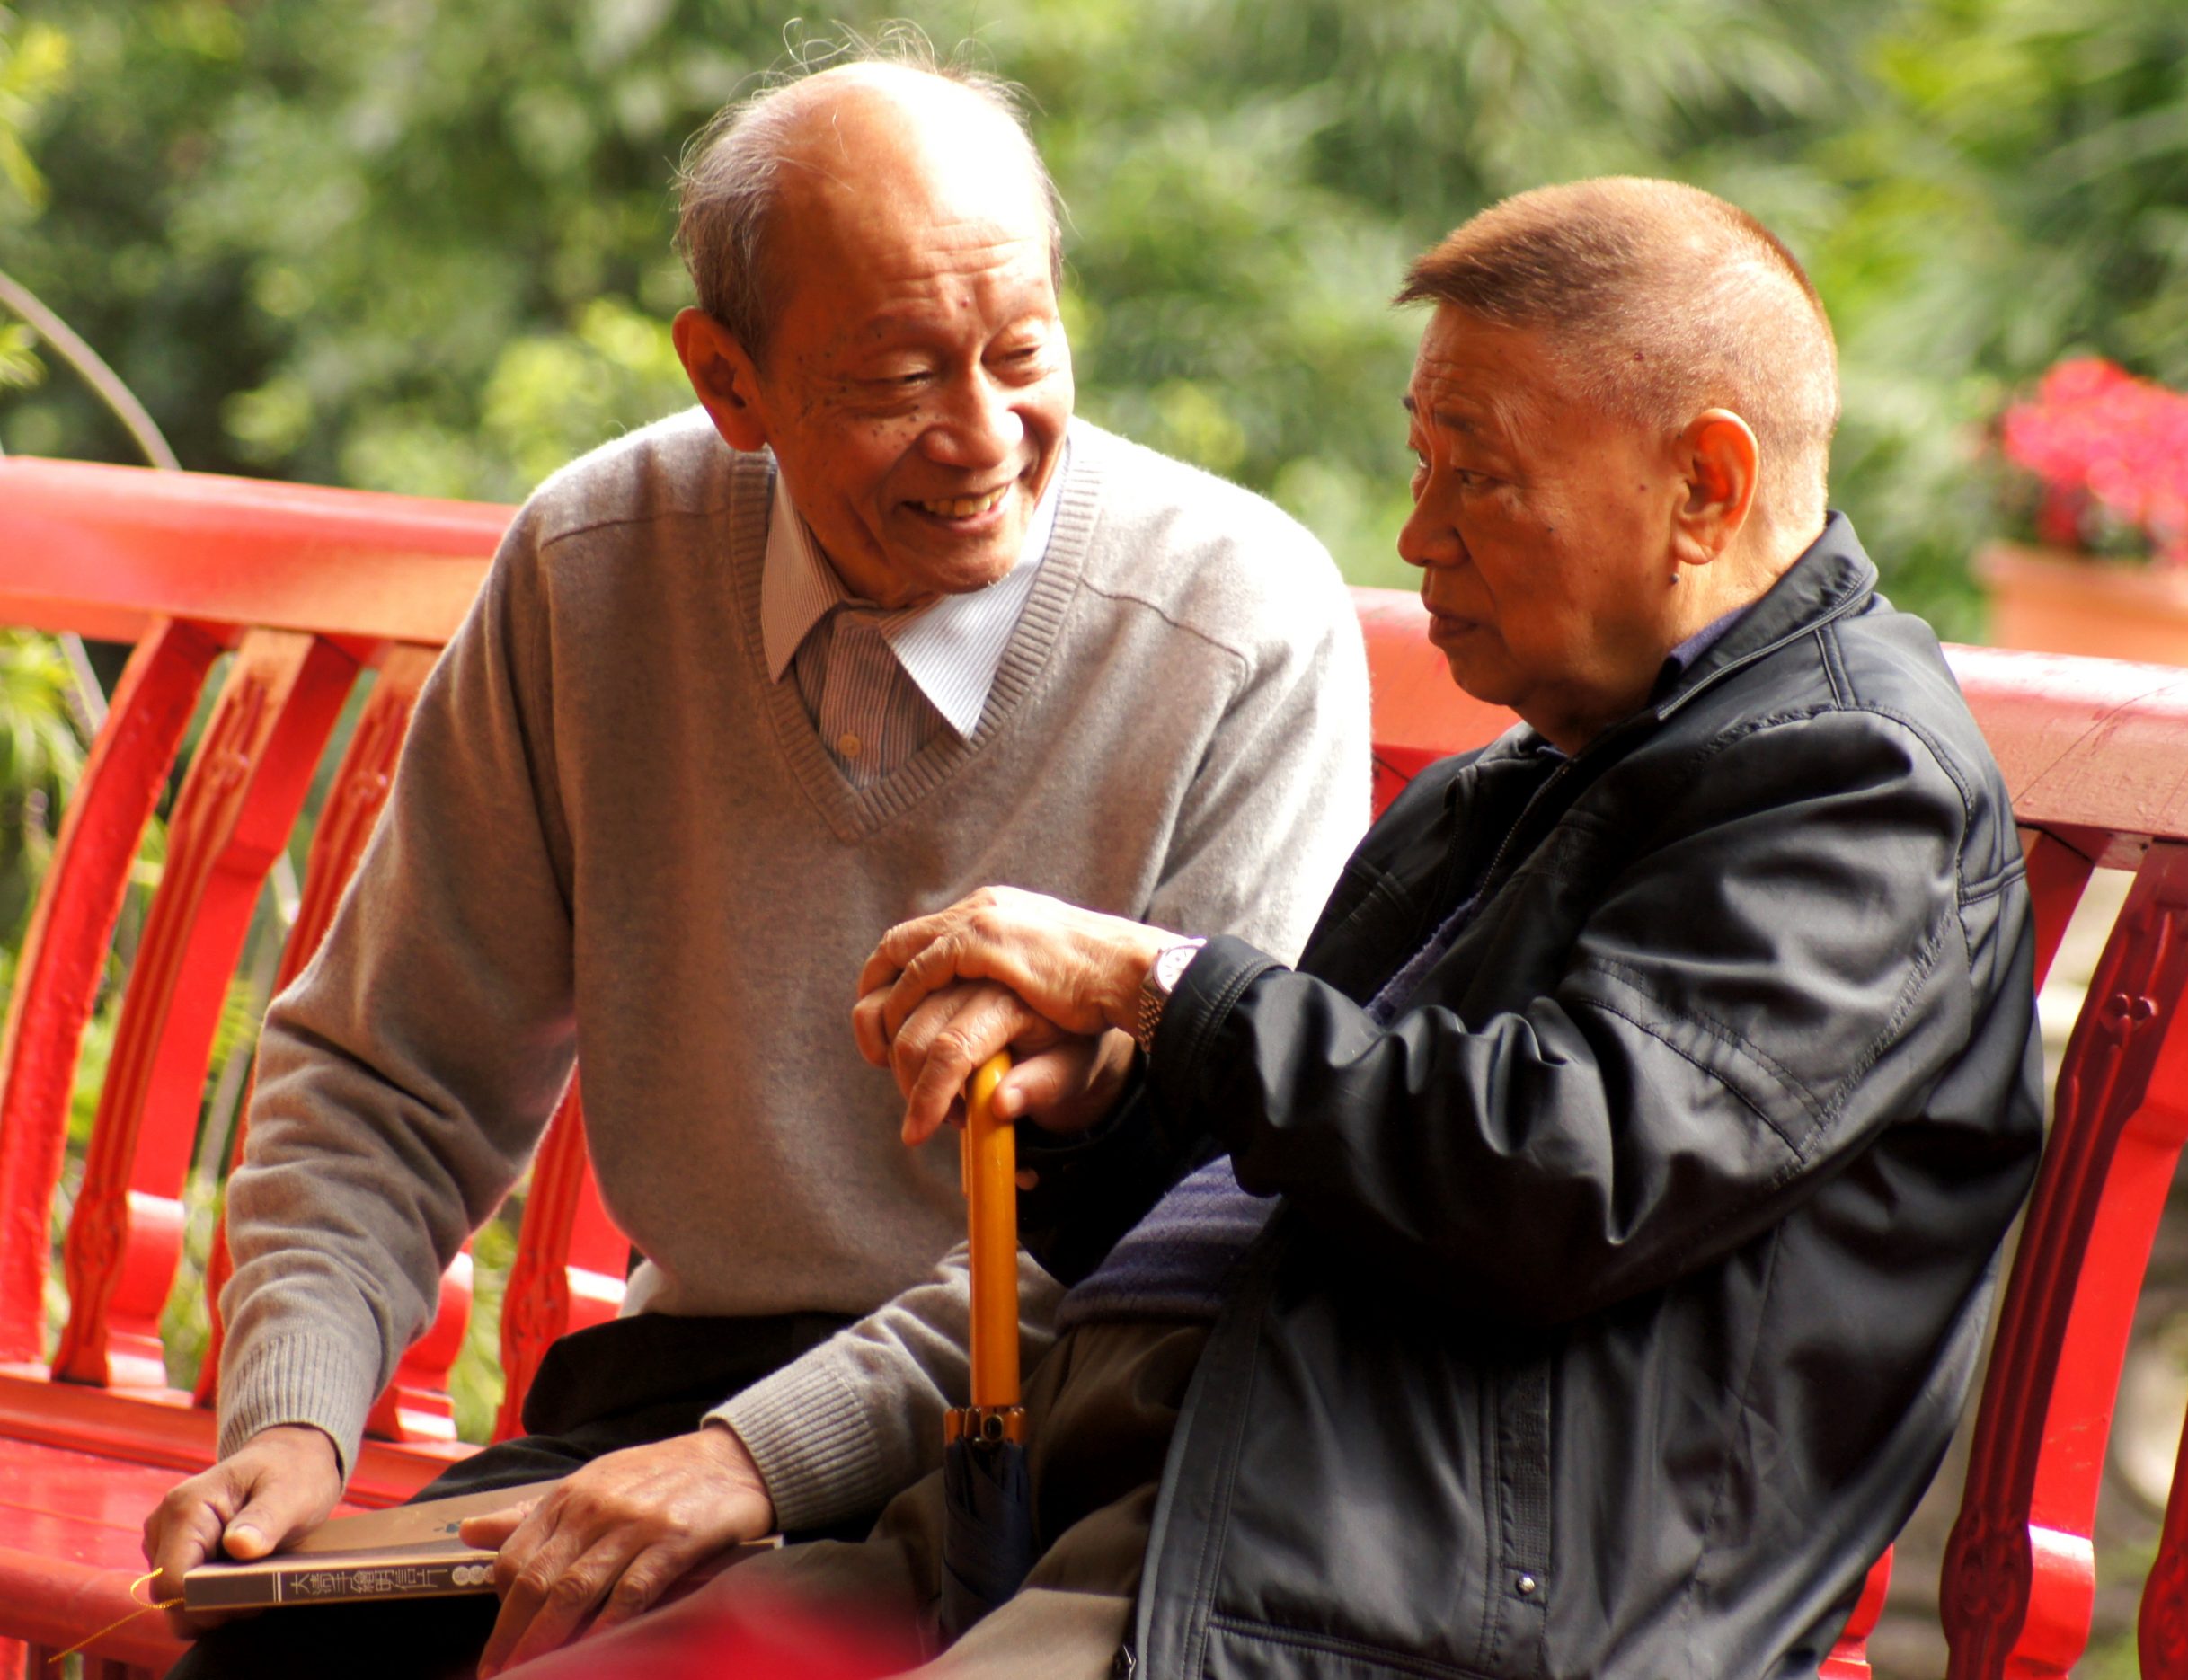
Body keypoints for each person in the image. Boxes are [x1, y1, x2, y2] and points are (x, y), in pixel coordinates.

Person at [527, 175, 2045, 1680]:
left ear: (1705, 486)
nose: (1420, 532)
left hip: (1343, 1590)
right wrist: (1105, 1100)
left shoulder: (1855, 788)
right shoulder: (1533, 776)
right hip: (1081, 1502)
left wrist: (1156, 981)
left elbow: (1553, 1172)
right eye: (1420, 459)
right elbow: (1304, 1159)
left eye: (1482, 476)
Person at [142, 46, 1369, 1680]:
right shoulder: (596, 563)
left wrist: (761, 1460)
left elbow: (1175, 1211)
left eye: (1023, 348)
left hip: (1056, 1445)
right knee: (274, 1658)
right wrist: (292, 1424)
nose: (984, 433)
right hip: (674, 1401)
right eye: (897, 378)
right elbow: (388, 1073)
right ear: (730, 384)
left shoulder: (1240, 621)